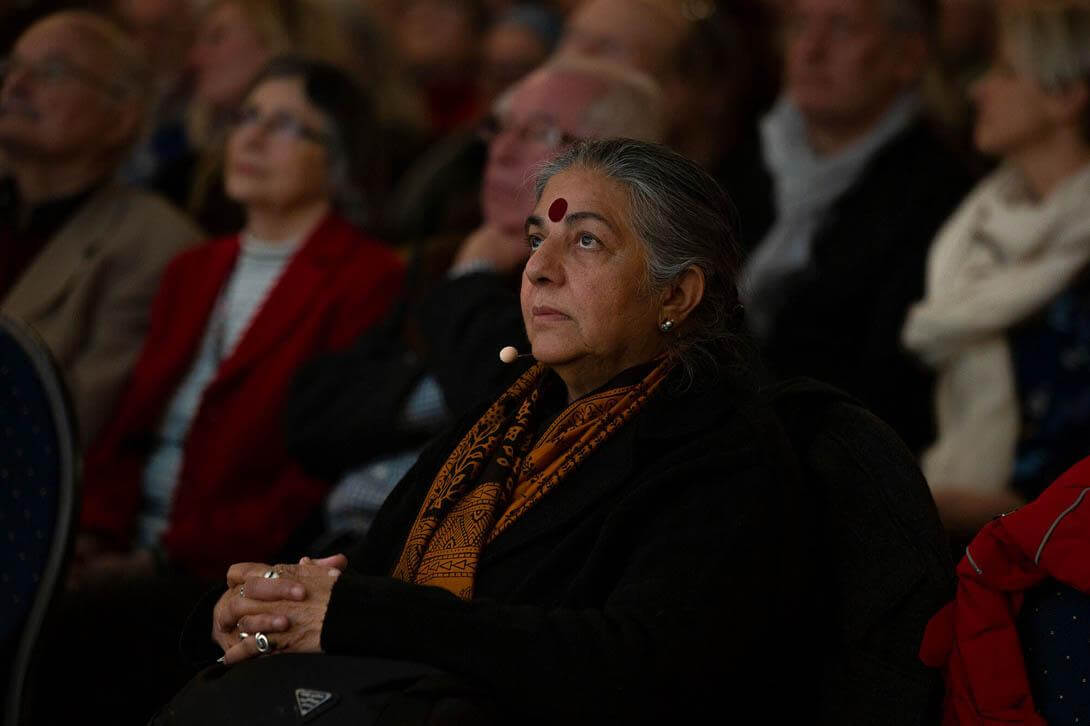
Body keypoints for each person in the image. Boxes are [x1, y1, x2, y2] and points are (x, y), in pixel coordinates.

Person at [166, 138, 813, 725]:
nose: (539, 270)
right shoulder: (509, 412)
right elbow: (367, 580)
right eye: (537, 240)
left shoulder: (722, 445)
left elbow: (638, 667)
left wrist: (360, 614)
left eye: (586, 242)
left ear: (677, 295)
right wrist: (263, 615)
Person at [26, 56, 404, 726]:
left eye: (286, 125)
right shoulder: (193, 268)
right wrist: (95, 534)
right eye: (246, 118)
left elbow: (308, 470)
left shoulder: (366, 276)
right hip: (126, 550)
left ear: (338, 160)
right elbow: (129, 427)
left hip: (227, 567)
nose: (252, 139)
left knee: (65, 641)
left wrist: (158, 558)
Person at [285, 58, 663, 542]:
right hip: (344, 541)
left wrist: (471, 279)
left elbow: (520, 406)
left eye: (540, 133)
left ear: (620, 168)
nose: (501, 150)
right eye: (499, 127)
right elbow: (310, 417)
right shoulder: (444, 255)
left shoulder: (612, 290)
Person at [741, 0, 973, 452]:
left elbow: (885, 382)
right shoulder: (749, 155)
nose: (810, 49)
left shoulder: (937, 191)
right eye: (800, 25)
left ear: (907, 58)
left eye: (842, 27)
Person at [903, 0, 1090, 535]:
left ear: (1066, 95)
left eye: (1006, 73)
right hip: (965, 527)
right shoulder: (975, 228)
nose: (978, 89)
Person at [0, 10, 201, 446]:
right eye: (11, 66)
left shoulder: (153, 244)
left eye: (51, 71)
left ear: (121, 116)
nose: (15, 86)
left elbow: (67, 423)